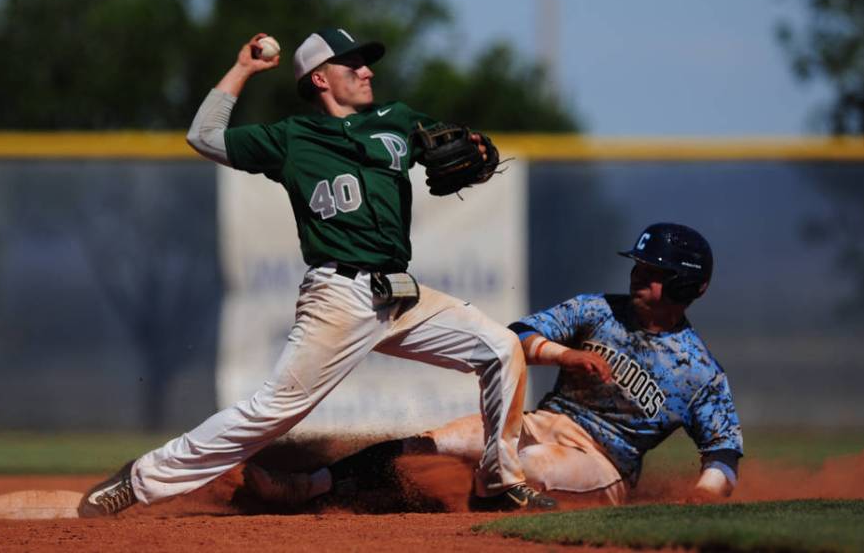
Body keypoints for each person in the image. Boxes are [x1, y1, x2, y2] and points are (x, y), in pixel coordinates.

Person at [77, 28, 555, 517]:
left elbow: (453, 145)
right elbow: (202, 136)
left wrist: (471, 149)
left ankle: (500, 481)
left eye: (367, 63)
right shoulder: (291, 138)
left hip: (400, 296)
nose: (367, 71)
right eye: (354, 64)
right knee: (272, 411)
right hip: (339, 297)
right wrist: (243, 67)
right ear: (321, 79)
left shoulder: (397, 120)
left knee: (501, 349)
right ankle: (137, 481)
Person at [244, 223, 744, 508]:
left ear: (687, 286)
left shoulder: (700, 372)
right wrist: (566, 354)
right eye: (639, 266)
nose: (641, 276)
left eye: (656, 273)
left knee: (516, 470)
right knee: (434, 442)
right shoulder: (598, 310)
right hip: (543, 422)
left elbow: (722, 452)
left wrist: (706, 491)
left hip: (603, 463)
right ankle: (307, 486)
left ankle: (469, 526)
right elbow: (517, 336)